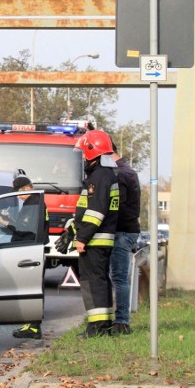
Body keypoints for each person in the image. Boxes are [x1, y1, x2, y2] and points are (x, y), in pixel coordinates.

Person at [70, 129, 120, 337]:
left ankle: (97, 328)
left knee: (93, 282)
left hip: (95, 240)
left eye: (84, 152)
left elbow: (95, 212)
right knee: (100, 281)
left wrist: (82, 237)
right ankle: (103, 325)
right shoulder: (104, 175)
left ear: (93, 152)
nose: (82, 156)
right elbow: (86, 210)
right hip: (99, 239)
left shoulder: (98, 177)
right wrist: (72, 229)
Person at [0, 172, 49, 340]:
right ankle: (31, 324)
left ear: (26, 188)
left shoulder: (34, 203)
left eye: (19, 192)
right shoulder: (34, 203)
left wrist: (3, 221)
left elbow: (25, 230)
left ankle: (33, 326)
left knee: (29, 288)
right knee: (31, 288)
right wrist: (11, 218)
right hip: (32, 249)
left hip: (29, 250)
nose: (18, 197)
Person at [109, 142, 141, 335]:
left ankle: (122, 321)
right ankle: (120, 319)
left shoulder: (119, 174)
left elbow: (116, 206)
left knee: (119, 277)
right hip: (128, 230)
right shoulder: (128, 171)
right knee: (119, 277)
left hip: (122, 231)